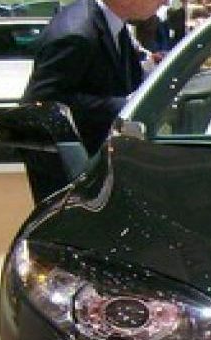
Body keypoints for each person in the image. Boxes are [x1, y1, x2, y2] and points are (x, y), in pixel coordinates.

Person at [21, 0, 165, 200]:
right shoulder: (76, 33)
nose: (165, 2)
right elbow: (44, 102)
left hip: (99, 161)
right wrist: (125, 105)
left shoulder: (110, 23)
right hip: (72, 169)